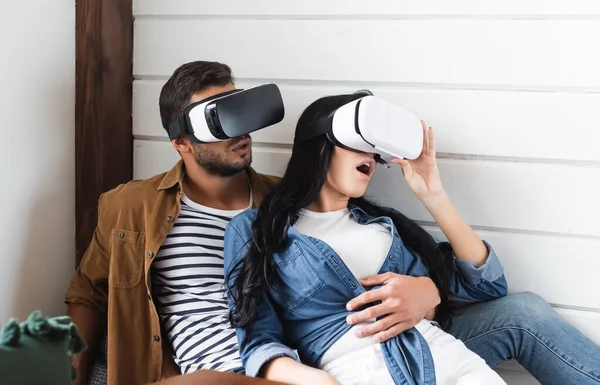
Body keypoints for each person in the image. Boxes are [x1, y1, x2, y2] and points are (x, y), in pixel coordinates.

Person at [65, 62, 600, 385]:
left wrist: (429, 290)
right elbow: (88, 296)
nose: (240, 130)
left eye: (241, 110)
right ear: (181, 143)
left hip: (390, 349)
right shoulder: (129, 209)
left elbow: (476, 283)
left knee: (522, 311)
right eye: (217, 119)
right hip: (259, 367)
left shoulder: (288, 209)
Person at [224, 93, 600, 385]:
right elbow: (258, 342)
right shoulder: (257, 229)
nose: (370, 156)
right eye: (359, 144)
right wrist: (319, 379)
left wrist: (432, 200)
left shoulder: (384, 226)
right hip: (356, 368)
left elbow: (487, 285)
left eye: (374, 149)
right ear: (320, 145)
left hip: (442, 354)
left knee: (525, 310)